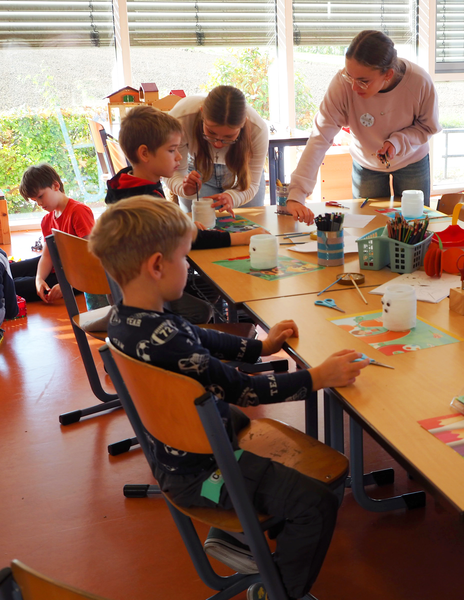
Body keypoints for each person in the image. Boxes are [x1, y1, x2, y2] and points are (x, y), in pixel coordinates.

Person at [89, 196, 368, 600]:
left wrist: (261, 348)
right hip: (201, 475)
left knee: (236, 420)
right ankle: (279, 591)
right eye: (185, 258)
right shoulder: (171, 341)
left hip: (172, 454)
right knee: (316, 504)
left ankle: (235, 538)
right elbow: (246, 389)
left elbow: (199, 335)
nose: (188, 266)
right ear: (157, 265)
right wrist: (318, 377)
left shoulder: (124, 320)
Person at [286, 30, 441, 224]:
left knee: (413, 227)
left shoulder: (419, 81)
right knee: (368, 226)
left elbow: (427, 127)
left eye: (363, 81)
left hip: (412, 161)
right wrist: (297, 193)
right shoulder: (342, 84)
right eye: (350, 76)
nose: (354, 87)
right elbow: (320, 137)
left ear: (388, 74)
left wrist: (397, 143)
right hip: (366, 164)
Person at [106, 105, 265, 250]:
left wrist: (182, 226)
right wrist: (242, 237)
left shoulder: (126, 185)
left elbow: (166, 232)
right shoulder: (143, 202)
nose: (179, 157)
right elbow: (185, 239)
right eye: (171, 150)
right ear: (145, 153)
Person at [166, 85, 269, 215]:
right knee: (200, 228)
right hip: (197, 172)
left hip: (241, 173)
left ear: (243, 124)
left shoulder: (257, 129)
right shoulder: (181, 119)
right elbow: (171, 172)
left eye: (229, 137)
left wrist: (233, 197)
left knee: (249, 226)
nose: (218, 144)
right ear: (202, 113)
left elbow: (252, 184)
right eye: (211, 132)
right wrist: (183, 187)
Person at [11, 164, 94, 304]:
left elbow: (91, 256)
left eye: (40, 197)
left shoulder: (78, 211)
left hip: (77, 274)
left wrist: (67, 285)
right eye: (34, 200)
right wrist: (39, 279)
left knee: (12, 286)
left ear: (56, 186)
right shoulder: (47, 220)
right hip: (57, 265)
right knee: (6, 271)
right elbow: (47, 256)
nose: (39, 203)